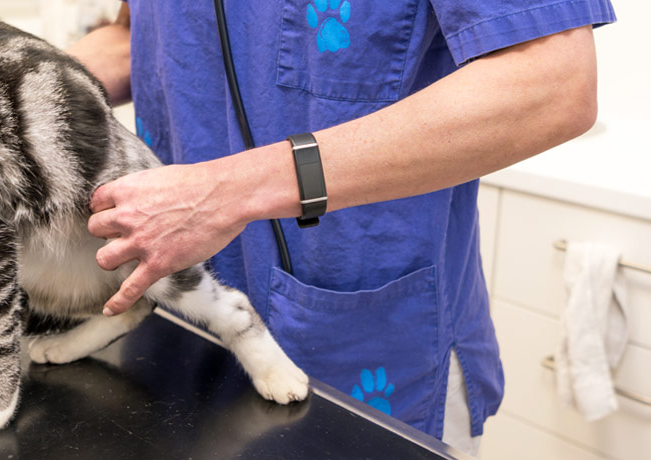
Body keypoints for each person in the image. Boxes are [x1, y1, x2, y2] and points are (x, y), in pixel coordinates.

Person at [69, 0, 615, 455]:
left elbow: (552, 83)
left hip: (362, 348)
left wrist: (229, 191)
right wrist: (10, 82)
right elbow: (135, 35)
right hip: (181, 336)